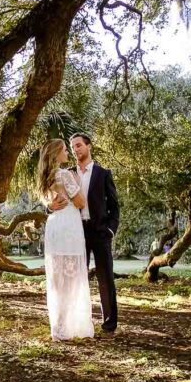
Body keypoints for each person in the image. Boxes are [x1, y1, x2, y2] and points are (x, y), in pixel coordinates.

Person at [49, 133, 121, 334]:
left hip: (100, 231)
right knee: (75, 277)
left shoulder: (103, 173)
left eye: (79, 145)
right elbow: (53, 199)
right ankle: (74, 321)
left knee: (105, 278)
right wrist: (49, 207)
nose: (75, 150)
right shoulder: (66, 173)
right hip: (75, 231)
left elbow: (115, 207)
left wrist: (110, 230)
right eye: (72, 147)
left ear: (88, 146)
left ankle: (109, 324)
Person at [38, 139, 94, 340]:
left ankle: (59, 326)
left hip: (54, 226)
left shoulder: (45, 177)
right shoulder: (64, 174)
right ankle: (71, 326)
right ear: (56, 154)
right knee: (71, 278)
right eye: (64, 150)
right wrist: (77, 184)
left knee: (57, 277)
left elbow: (49, 202)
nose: (68, 154)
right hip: (69, 226)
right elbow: (80, 202)